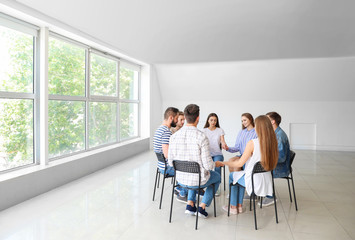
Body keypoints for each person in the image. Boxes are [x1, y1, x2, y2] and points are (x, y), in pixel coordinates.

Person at [217, 115, 278, 214]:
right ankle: (239, 206)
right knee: (239, 175)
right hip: (266, 182)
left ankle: (233, 207)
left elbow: (240, 163)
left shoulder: (253, 143)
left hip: (254, 182)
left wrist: (222, 163)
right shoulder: (273, 142)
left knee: (233, 177)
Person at [168, 104, 221, 218]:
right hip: (197, 180)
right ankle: (202, 206)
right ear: (198, 118)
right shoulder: (201, 137)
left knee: (193, 175)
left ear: (185, 118)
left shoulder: (173, 137)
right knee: (216, 177)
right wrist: (215, 164)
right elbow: (208, 166)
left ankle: (190, 204)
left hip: (181, 180)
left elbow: (170, 162)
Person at [153, 107, 187, 202]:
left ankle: (180, 188)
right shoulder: (166, 132)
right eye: (176, 118)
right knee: (188, 169)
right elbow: (167, 154)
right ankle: (182, 193)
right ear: (171, 118)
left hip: (161, 166)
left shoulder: (159, 129)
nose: (176, 121)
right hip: (167, 168)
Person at [259, 111, 291, 206]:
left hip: (280, 168)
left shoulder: (279, 136)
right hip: (276, 164)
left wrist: (266, 160)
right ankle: (255, 192)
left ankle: (270, 196)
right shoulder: (273, 133)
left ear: (272, 122)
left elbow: (281, 158)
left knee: (260, 168)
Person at [202, 113, 228, 196]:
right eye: (211, 120)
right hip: (207, 154)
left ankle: (217, 187)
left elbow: (222, 141)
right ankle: (207, 184)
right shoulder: (204, 130)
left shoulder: (220, 130)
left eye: (215, 120)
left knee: (217, 167)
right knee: (206, 167)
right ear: (208, 121)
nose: (213, 122)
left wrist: (224, 144)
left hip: (217, 154)